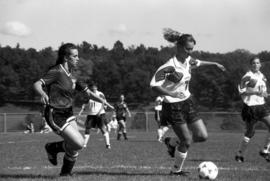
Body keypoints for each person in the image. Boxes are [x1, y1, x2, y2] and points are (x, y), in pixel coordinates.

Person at [150, 28, 226, 175]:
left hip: (188, 102)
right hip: (172, 106)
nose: (190, 52)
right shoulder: (169, 66)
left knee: (202, 136)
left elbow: (198, 62)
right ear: (179, 47)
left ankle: (172, 142)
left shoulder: (187, 61)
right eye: (187, 49)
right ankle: (176, 170)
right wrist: (171, 92)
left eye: (192, 49)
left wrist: (215, 63)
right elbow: (154, 85)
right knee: (186, 140)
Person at [33, 43, 110, 176]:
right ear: (66, 58)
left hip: (68, 112)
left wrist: (102, 101)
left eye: (78, 56)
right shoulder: (57, 71)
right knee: (79, 143)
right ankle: (52, 148)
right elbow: (37, 84)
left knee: (74, 148)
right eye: (75, 56)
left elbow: (88, 93)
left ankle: (65, 175)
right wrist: (43, 94)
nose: (78, 58)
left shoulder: (72, 75)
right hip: (55, 114)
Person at [235, 57, 270, 162]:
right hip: (250, 108)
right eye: (253, 63)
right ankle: (239, 154)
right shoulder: (247, 76)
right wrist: (256, 93)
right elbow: (241, 91)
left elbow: (262, 92)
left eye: (258, 63)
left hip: (261, 106)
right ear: (251, 65)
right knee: (250, 132)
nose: (256, 64)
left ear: (260, 65)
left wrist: (265, 94)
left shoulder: (262, 76)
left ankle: (265, 150)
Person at [78, 82, 114, 149]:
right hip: (90, 114)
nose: (93, 88)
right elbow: (85, 104)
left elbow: (104, 102)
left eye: (94, 87)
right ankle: (84, 145)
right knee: (87, 129)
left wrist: (100, 111)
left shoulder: (100, 94)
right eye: (91, 87)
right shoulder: (88, 94)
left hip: (100, 114)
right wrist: (81, 111)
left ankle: (108, 145)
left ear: (96, 87)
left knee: (103, 128)